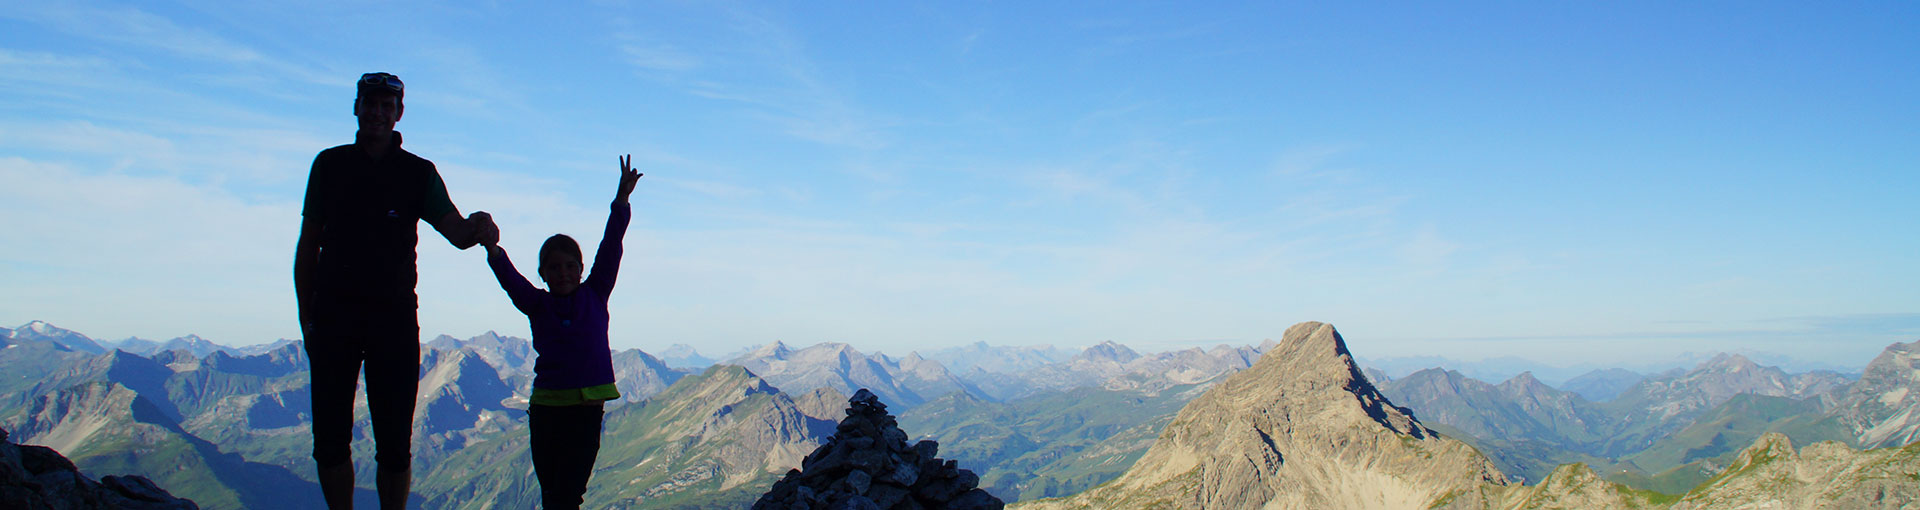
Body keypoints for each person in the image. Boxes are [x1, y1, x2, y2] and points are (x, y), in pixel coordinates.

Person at [294, 72, 498, 510]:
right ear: (357, 107)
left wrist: (479, 227)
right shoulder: (329, 166)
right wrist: (306, 318)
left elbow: (457, 232)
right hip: (333, 316)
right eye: (371, 103)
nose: (378, 112)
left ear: (399, 113)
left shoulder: (418, 174)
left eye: (387, 106)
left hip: (392, 319)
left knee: (394, 445)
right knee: (329, 440)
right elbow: (308, 245)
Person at [481, 154, 640, 509]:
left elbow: (611, 247)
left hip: (585, 412)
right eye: (554, 267)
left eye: (570, 266)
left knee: (568, 494)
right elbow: (510, 280)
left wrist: (622, 200)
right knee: (553, 494)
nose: (564, 273)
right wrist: (492, 248)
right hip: (546, 411)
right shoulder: (537, 303)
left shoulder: (596, 292)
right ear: (543, 273)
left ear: (582, 269)